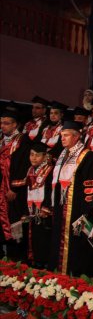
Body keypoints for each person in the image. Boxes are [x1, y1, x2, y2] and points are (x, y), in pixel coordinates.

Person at [49, 121, 93, 276]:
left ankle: (75, 277)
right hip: (61, 206)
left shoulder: (86, 156)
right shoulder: (63, 155)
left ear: (76, 137)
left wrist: (86, 210)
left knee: (77, 245)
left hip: (77, 208)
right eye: (61, 136)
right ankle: (60, 274)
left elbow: (91, 185)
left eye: (66, 135)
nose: (62, 139)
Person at [0, 108, 31, 261]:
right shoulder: (1, 140)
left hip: (14, 190)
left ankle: (17, 258)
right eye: (1, 123)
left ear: (15, 125)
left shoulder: (23, 140)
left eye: (6, 123)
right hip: (1, 187)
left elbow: (24, 166)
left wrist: (14, 188)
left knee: (14, 221)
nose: (2, 126)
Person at [24, 141, 53, 268]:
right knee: (34, 236)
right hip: (33, 209)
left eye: (37, 155)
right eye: (31, 154)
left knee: (44, 238)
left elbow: (51, 191)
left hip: (44, 211)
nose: (33, 158)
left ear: (45, 156)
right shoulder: (30, 170)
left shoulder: (50, 170)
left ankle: (45, 265)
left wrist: (46, 208)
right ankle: (35, 262)